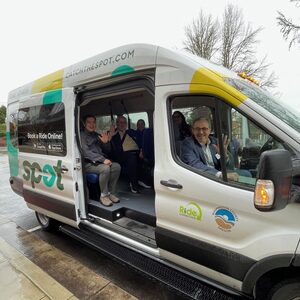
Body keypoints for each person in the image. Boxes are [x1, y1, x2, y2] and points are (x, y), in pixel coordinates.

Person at [81, 115, 121, 207]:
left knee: (116, 167)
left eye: (93, 122)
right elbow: (86, 152)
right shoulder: (82, 135)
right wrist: (103, 160)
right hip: (88, 163)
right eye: (89, 122)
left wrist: (106, 142)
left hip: (98, 163)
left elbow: (107, 150)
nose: (92, 124)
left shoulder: (96, 135)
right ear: (84, 124)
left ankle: (111, 193)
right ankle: (103, 196)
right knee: (105, 168)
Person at [111, 115, 150, 193]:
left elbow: (140, 136)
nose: (123, 124)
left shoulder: (131, 132)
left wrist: (142, 150)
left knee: (146, 156)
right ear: (117, 123)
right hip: (121, 154)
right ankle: (133, 184)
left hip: (136, 152)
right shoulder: (113, 134)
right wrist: (111, 136)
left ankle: (142, 180)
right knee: (132, 157)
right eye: (120, 122)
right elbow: (110, 148)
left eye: (124, 123)